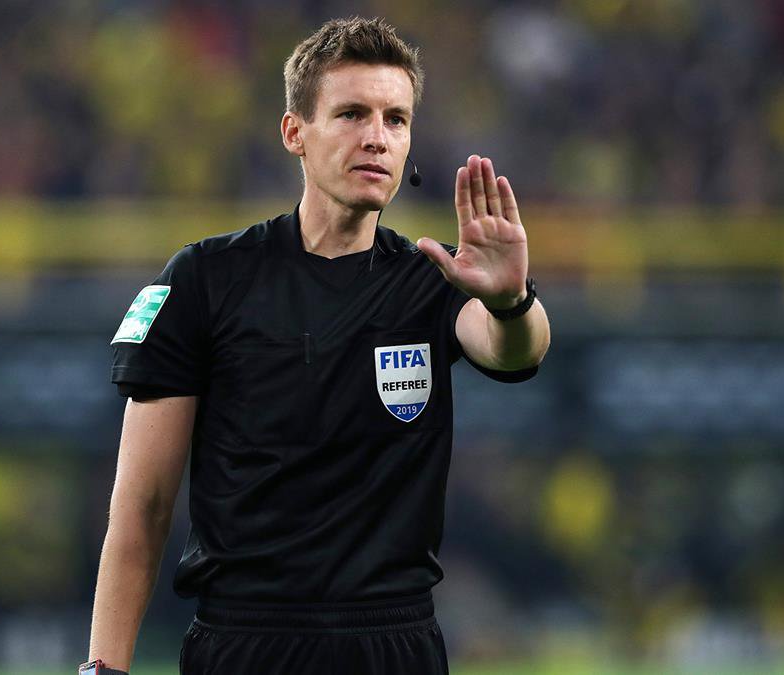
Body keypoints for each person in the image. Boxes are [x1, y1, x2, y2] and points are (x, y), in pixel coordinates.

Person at [84, 16, 550, 675]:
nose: (377, 137)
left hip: (394, 647)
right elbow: (143, 503)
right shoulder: (204, 280)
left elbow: (517, 350)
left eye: (395, 119)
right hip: (245, 645)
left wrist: (510, 299)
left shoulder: (433, 280)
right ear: (294, 132)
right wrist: (103, 668)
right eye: (352, 113)